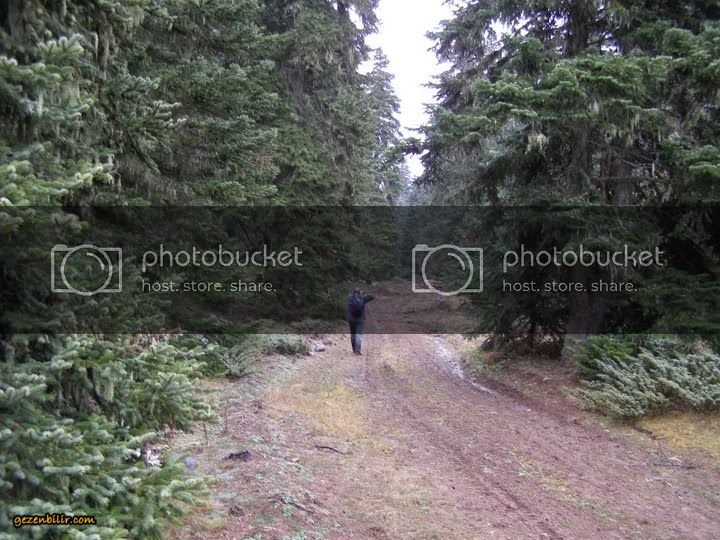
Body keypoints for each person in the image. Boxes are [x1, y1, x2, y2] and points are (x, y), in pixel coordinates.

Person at [346, 288, 374, 355]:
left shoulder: (350, 298)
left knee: (353, 334)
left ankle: (354, 350)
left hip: (351, 319)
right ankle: (357, 350)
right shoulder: (363, 298)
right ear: (359, 293)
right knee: (358, 334)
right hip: (360, 319)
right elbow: (372, 296)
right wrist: (364, 294)